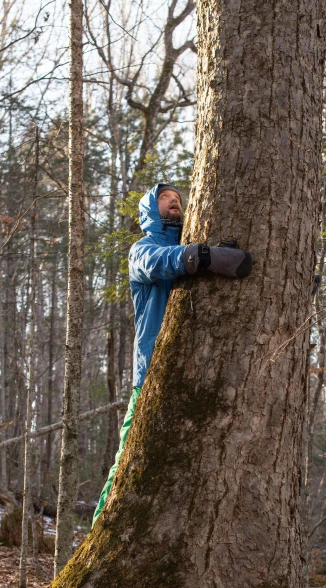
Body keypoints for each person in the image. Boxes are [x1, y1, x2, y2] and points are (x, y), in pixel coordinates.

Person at [92, 183, 253, 525]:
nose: (173, 201)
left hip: (197, 373)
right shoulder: (144, 248)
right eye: (164, 198)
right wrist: (200, 256)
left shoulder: (187, 245)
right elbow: (156, 263)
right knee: (128, 461)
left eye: (177, 198)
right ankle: (98, 533)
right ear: (151, 210)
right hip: (151, 373)